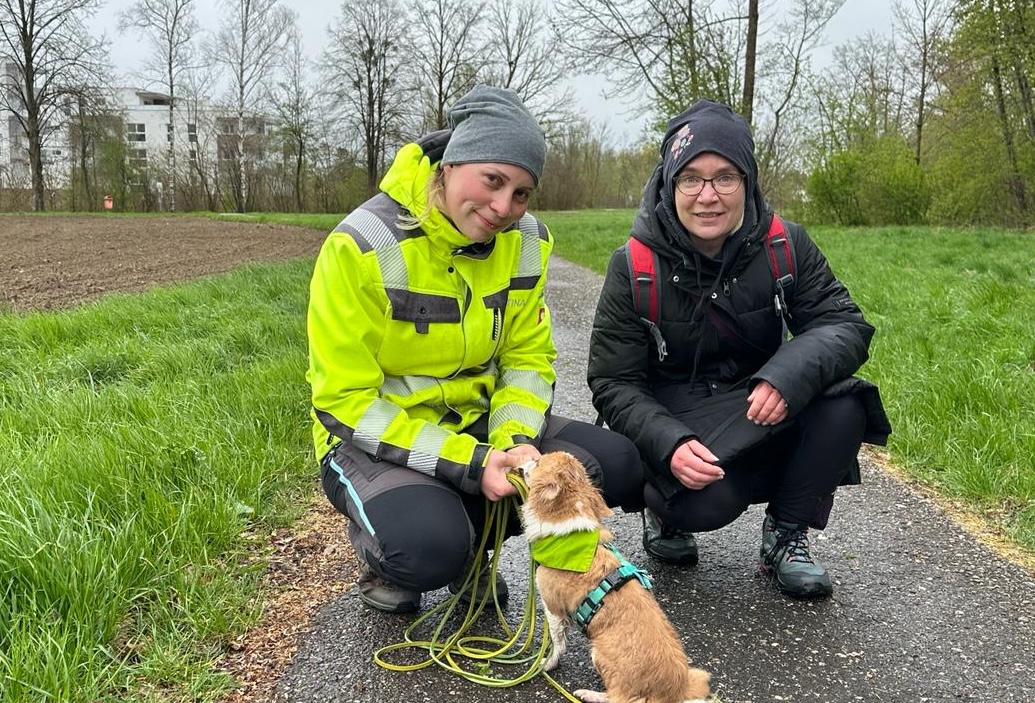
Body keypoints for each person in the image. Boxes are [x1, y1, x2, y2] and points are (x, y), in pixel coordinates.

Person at [307, 84, 643, 613]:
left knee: (615, 464)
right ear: (449, 165)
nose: (504, 207)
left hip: (479, 421)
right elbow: (344, 401)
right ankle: (400, 555)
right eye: (492, 180)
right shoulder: (361, 245)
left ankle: (471, 549)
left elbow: (527, 359)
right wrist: (470, 461)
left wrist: (515, 446)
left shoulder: (526, 241)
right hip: (371, 437)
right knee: (425, 548)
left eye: (522, 192)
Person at [587, 99, 891, 600]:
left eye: (725, 177)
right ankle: (663, 514)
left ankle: (786, 533)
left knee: (845, 403)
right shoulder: (633, 264)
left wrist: (786, 377)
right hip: (681, 418)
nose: (708, 196)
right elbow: (612, 381)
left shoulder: (784, 244)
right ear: (669, 184)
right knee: (707, 504)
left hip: (757, 404)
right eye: (691, 179)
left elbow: (844, 324)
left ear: (747, 182)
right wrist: (669, 444)